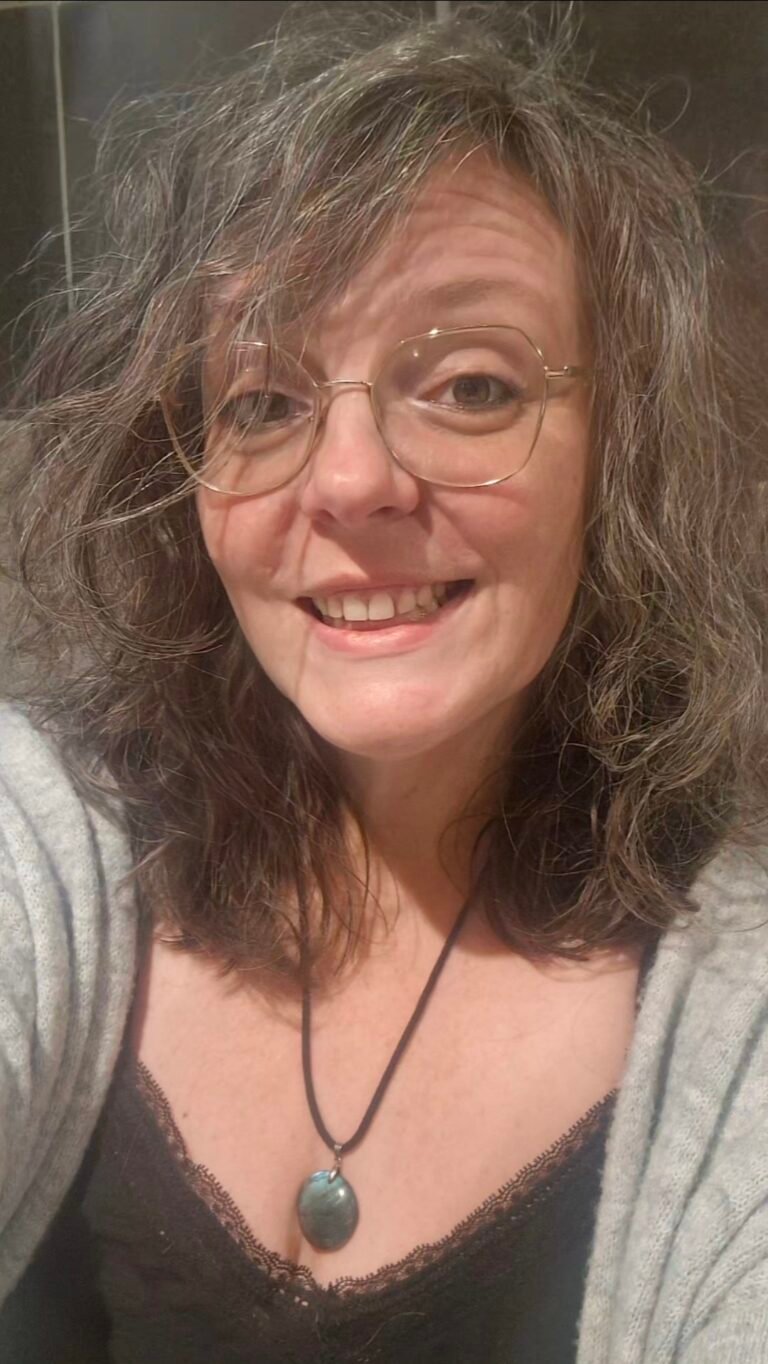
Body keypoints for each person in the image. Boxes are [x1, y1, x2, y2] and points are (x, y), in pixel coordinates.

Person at [0, 3, 767, 1360]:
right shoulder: (52, 830)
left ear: (620, 452)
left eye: (471, 387)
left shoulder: (738, 999)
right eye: (262, 403)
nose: (351, 481)